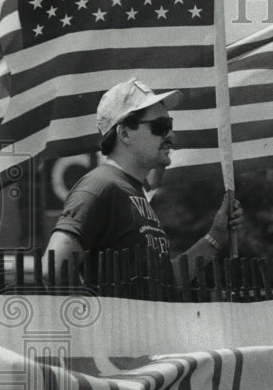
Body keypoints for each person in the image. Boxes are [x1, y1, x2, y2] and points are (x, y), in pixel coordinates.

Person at [45, 78, 243, 287]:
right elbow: (53, 270)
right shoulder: (100, 186)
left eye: (170, 125)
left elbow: (165, 284)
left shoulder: (132, 191)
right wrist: (97, 318)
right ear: (124, 133)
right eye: (160, 126)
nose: (171, 134)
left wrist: (215, 238)